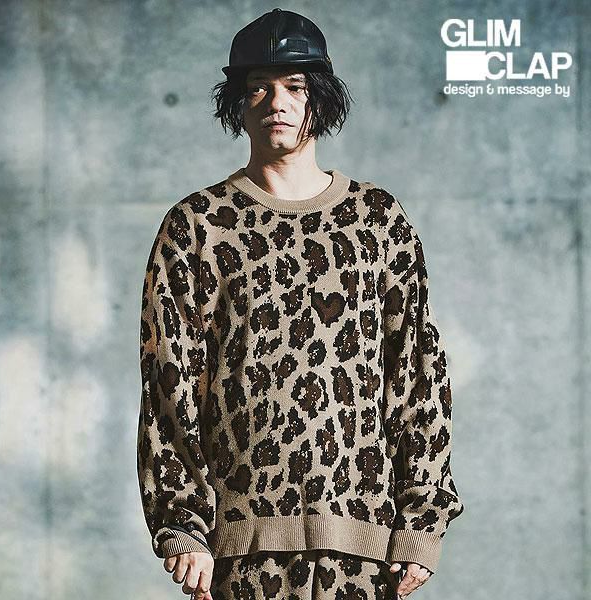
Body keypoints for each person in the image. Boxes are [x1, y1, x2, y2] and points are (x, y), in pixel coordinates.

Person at [136, 8, 465, 600]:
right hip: (241, 543)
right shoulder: (198, 225)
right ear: (238, 102)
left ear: (322, 97)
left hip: (363, 542)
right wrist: (183, 525)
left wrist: (421, 522)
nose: (277, 102)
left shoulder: (377, 221)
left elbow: (418, 372)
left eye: (295, 86)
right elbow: (170, 383)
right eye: (258, 86)